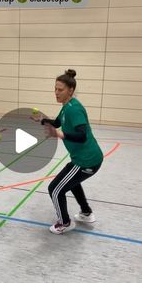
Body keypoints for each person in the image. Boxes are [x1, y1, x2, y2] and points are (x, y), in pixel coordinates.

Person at [41, 69, 103, 235]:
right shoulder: (66, 106)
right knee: (72, 182)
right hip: (84, 158)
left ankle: (65, 222)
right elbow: (56, 122)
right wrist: (41, 120)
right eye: (55, 89)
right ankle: (86, 213)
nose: (56, 93)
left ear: (71, 90)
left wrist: (61, 134)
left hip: (86, 160)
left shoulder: (73, 109)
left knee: (54, 189)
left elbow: (82, 135)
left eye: (60, 90)